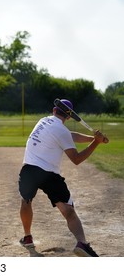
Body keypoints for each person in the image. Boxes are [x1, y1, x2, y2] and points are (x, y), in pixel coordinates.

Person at [18, 98, 109, 257]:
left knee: (26, 201)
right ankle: (82, 243)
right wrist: (96, 143)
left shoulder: (43, 121)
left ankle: (27, 237)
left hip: (29, 170)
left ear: (54, 111)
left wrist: (93, 138)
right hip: (49, 174)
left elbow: (69, 135)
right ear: (68, 117)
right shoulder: (62, 131)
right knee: (68, 210)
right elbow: (76, 159)